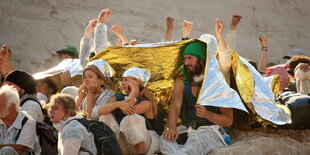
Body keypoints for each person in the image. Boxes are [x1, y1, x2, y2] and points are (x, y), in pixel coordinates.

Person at [160, 18, 233, 155]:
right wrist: (171, 128)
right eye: (185, 58)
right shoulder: (182, 81)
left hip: (211, 132)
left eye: (190, 58)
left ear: (201, 59)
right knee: (164, 140)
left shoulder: (217, 82)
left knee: (195, 144)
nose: (186, 62)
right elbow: (175, 106)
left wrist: (208, 114)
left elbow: (228, 120)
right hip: (188, 130)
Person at [98, 67, 159, 155]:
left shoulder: (146, 102)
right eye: (122, 80)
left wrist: (133, 92)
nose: (122, 83)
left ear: (137, 82)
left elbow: (128, 111)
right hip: (124, 144)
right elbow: (100, 111)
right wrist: (117, 104)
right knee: (105, 116)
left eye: (126, 80)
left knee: (131, 118)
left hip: (146, 144)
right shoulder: (119, 97)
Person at [0, 85, 41, 155]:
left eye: (0, 105)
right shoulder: (1, 121)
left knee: (8, 151)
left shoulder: (27, 122)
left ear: (12, 106)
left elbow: (19, 149)